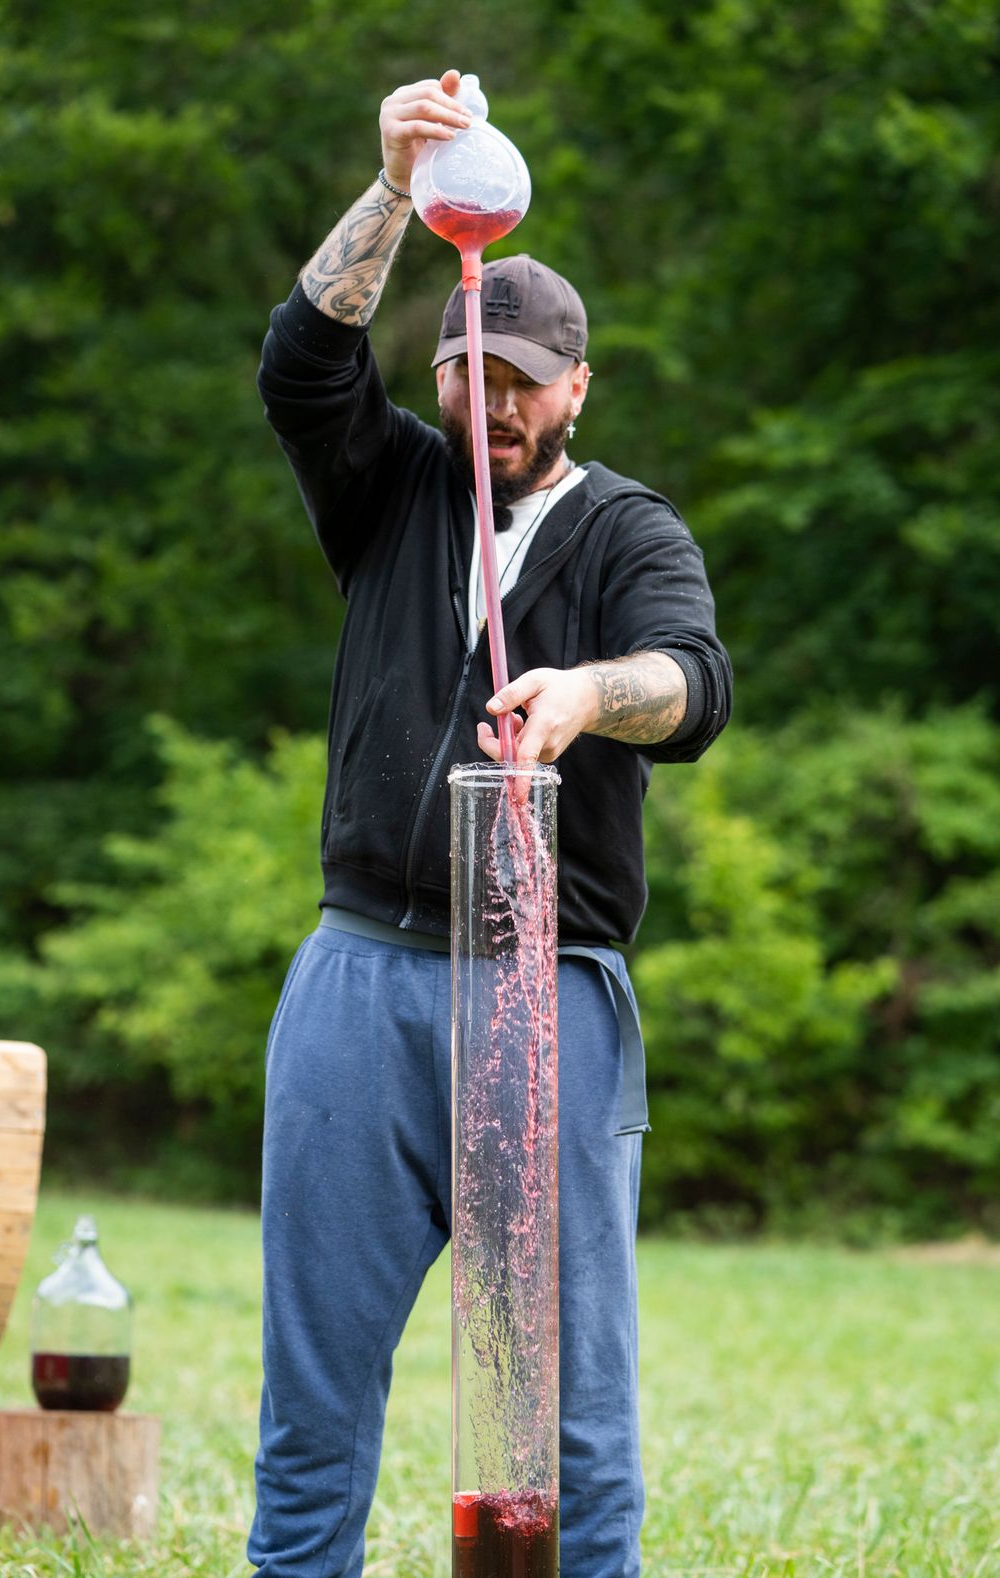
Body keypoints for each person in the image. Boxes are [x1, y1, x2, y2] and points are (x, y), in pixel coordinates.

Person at [249, 69, 732, 1578]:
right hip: (357, 981)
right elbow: (301, 365)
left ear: (577, 385)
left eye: (524, 377)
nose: (493, 401)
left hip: (548, 995)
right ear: (441, 372)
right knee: (312, 1390)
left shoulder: (629, 530)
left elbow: (692, 679)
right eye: (468, 368)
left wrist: (592, 691)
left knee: (564, 1411)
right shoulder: (391, 489)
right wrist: (396, 181)